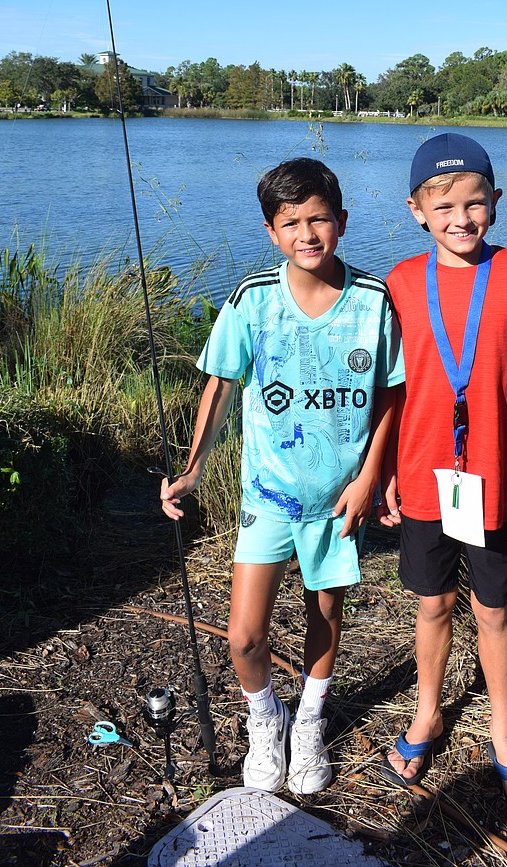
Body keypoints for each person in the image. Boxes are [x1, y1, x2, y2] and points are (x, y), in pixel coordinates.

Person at [161, 158, 404, 796]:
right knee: (245, 634)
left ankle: (310, 722)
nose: (307, 232)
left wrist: (369, 479)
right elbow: (220, 385)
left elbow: (389, 396)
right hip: (266, 497)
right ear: (272, 232)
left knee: (323, 613)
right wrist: (191, 470)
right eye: (290, 221)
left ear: (342, 221)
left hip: (336, 499)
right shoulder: (252, 299)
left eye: (318, 217)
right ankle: (265, 719)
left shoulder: (374, 301)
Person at [380, 133, 507, 811]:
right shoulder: (401, 282)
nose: (461, 217)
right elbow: (395, 389)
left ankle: (502, 727)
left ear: (494, 201)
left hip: (498, 479)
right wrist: (386, 471)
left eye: (475, 202)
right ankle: (428, 711)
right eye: (444, 204)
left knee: (494, 610)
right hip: (425, 474)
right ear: (416, 210)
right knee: (433, 603)